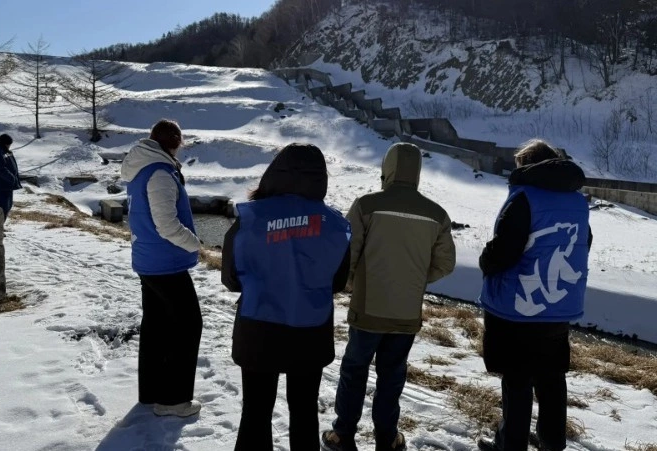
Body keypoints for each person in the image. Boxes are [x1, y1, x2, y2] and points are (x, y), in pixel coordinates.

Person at [322, 142, 456, 451]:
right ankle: (387, 438)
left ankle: (342, 434)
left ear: (388, 168)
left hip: (368, 308)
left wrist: (357, 283)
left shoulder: (367, 205)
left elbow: (348, 254)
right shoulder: (437, 214)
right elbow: (446, 264)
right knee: (392, 375)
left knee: (354, 370)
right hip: (406, 312)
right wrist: (416, 281)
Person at [221, 143, 351, 451]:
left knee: (255, 412)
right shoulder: (335, 224)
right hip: (310, 329)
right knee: (305, 413)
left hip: (258, 327)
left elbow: (230, 278)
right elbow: (338, 282)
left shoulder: (250, 218)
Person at [476, 139, 592, 451]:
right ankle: (552, 444)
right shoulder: (578, 203)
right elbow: (583, 244)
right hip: (557, 305)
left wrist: (486, 260)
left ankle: (510, 445)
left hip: (520, 304)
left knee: (517, 381)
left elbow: (505, 249)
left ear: (527, 166)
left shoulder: (524, 198)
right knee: (552, 380)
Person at [120, 119, 203, 418]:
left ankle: (151, 392)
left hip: (148, 259)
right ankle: (174, 400)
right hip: (165, 263)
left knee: (157, 326)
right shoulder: (160, 173)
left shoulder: (141, 168)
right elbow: (166, 224)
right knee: (188, 325)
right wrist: (196, 244)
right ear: (175, 143)